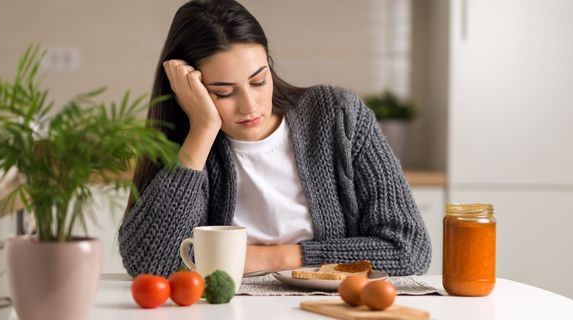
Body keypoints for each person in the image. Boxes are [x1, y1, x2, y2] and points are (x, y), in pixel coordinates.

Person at [118, 0, 431, 278]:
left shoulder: (338, 116)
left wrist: (274, 257)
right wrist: (202, 129)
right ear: (191, 92)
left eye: (258, 81)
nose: (250, 106)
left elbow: (408, 249)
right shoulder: (187, 144)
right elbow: (150, 265)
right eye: (223, 92)